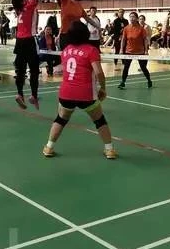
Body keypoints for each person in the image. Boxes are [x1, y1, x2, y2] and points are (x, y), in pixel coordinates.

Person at [42, 21, 116, 160]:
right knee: (100, 121)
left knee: (60, 119)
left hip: (66, 92)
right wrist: (103, 88)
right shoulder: (91, 50)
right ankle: (109, 150)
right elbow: (98, 72)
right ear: (86, 34)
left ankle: (49, 147)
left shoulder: (66, 50)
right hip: (86, 94)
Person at [12, 0, 41, 109]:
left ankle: (20, 94)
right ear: (23, 1)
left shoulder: (18, 9)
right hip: (29, 40)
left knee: (20, 70)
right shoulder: (29, 6)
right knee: (34, 70)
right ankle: (34, 95)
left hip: (19, 41)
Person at [118, 11, 152, 89]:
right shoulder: (126, 28)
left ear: (136, 18)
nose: (131, 18)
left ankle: (149, 80)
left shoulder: (141, 29)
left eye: (133, 17)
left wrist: (146, 51)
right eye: (130, 17)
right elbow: (123, 39)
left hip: (140, 51)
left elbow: (145, 40)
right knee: (126, 67)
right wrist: (121, 49)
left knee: (143, 67)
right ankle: (123, 82)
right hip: (129, 51)